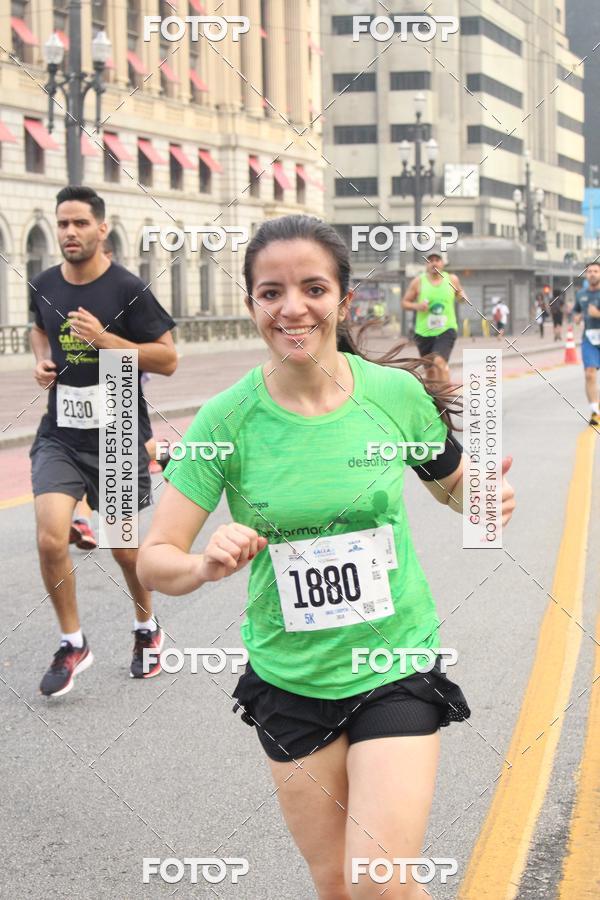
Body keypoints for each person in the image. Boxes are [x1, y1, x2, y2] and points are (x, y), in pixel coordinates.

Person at [137, 215, 516, 899]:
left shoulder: (393, 396)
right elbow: (155, 557)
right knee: (340, 886)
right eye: (270, 291)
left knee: (376, 880)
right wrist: (202, 565)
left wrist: (487, 496)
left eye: (312, 288)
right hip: (290, 679)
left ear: (343, 303)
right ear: (252, 303)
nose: (291, 307)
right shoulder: (226, 419)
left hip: (392, 662)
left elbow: (455, 486)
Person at [29, 185, 178, 696]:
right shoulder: (45, 282)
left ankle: (147, 629)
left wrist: (107, 341)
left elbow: (167, 359)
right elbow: (38, 328)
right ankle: (73, 643)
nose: (69, 232)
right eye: (62, 223)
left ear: (100, 229)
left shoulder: (127, 288)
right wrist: (42, 361)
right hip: (61, 434)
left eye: (79, 224)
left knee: (124, 550)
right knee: (51, 537)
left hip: (117, 432)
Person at [401, 252, 464, 386]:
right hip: (424, 331)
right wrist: (418, 306)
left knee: (439, 362)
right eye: (430, 261)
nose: (434, 263)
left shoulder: (452, 279)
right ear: (426, 264)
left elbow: (460, 294)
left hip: (446, 328)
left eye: (437, 260)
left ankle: (447, 397)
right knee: (429, 371)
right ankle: (435, 400)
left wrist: (462, 297)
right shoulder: (418, 281)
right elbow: (405, 303)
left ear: (442, 263)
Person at [574, 261, 600, 427]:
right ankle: (595, 411)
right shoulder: (581, 294)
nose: (592, 274)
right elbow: (576, 310)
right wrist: (576, 317)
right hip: (590, 339)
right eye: (589, 271)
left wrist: (597, 314)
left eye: (595, 271)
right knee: (589, 374)